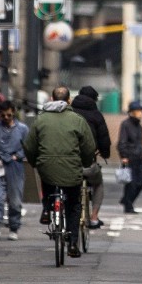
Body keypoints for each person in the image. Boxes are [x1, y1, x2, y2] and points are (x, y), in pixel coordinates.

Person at [24, 87, 97, 258]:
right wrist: (85, 163)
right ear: (69, 100)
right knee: (73, 204)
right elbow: (89, 147)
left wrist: (35, 162)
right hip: (72, 168)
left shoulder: (40, 120)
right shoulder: (77, 120)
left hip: (46, 167)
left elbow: (29, 145)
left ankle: (47, 210)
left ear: (51, 98)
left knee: (48, 183)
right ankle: (72, 241)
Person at [71, 83, 112, 229]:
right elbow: (104, 139)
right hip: (88, 164)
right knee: (98, 183)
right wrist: (105, 153)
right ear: (94, 100)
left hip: (67, 164)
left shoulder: (69, 112)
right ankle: (94, 217)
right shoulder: (96, 115)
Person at [0, 101, 28, 241]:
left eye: (9, 115)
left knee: (15, 199)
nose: (6, 117)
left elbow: (28, 147)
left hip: (15, 165)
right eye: (3, 115)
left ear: (13, 112)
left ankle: (14, 227)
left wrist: (18, 156)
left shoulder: (22, 129)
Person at [117, 100, 142, 214]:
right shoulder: (126, 124)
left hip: (139, 157)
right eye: (139, 111)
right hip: (129, 158)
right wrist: (123, 155)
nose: (141, 113)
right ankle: (128, 205)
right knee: (131, 184)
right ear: (132, 112)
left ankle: (126, 200)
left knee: (141, 182)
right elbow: (122, 142)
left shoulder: (139, 125)